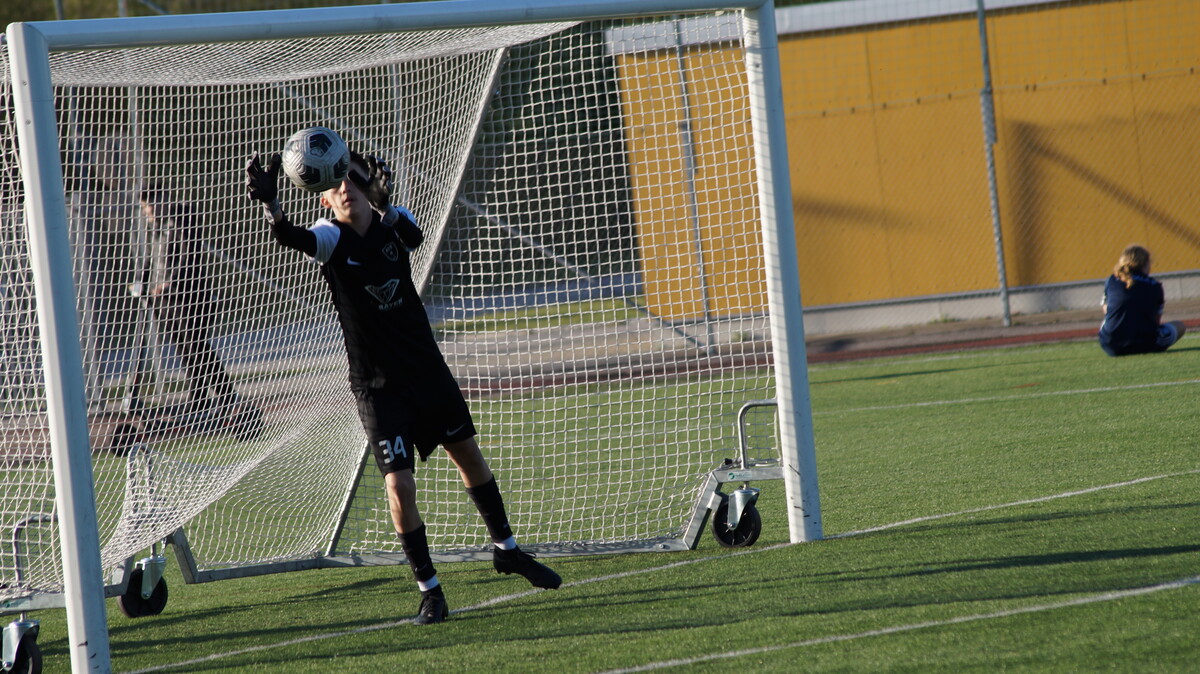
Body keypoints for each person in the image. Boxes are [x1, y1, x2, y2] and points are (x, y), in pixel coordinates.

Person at [245, 149, 561, 625]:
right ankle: (430, 590)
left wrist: (387, 206)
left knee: (469, 456)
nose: (346, 188)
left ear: (368, 184)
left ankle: (508, 550)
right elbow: (290, 237)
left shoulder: (394, 220)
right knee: (398, 484)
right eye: (335, 185)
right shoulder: (329, 236)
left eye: (353, 179)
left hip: (427, 372)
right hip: (377, 388)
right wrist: (272, 205)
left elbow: (412, 237)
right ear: (324, 199)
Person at [135, 188, 248, 429]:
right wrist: (142, 283)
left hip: (190, 297)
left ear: (164, 200)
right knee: (185, 350)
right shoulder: (156, 228)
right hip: (164, 300)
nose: (148, 212)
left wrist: (170, 282)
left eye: (150, 205)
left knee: (197, 347)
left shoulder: (183, 219)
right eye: (145, 208)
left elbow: (189, 256)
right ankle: (199, 400)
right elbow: (151, 259)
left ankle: (227, 396)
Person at [1098, 244, 1187, 356]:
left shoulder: (1112, 280)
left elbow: (1107, 310)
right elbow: (1155, 321)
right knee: (1180, 326)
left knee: (1107, 321)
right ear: (1145, 264)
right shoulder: (1155, 285)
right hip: (1147, 344)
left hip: (1111, 345)